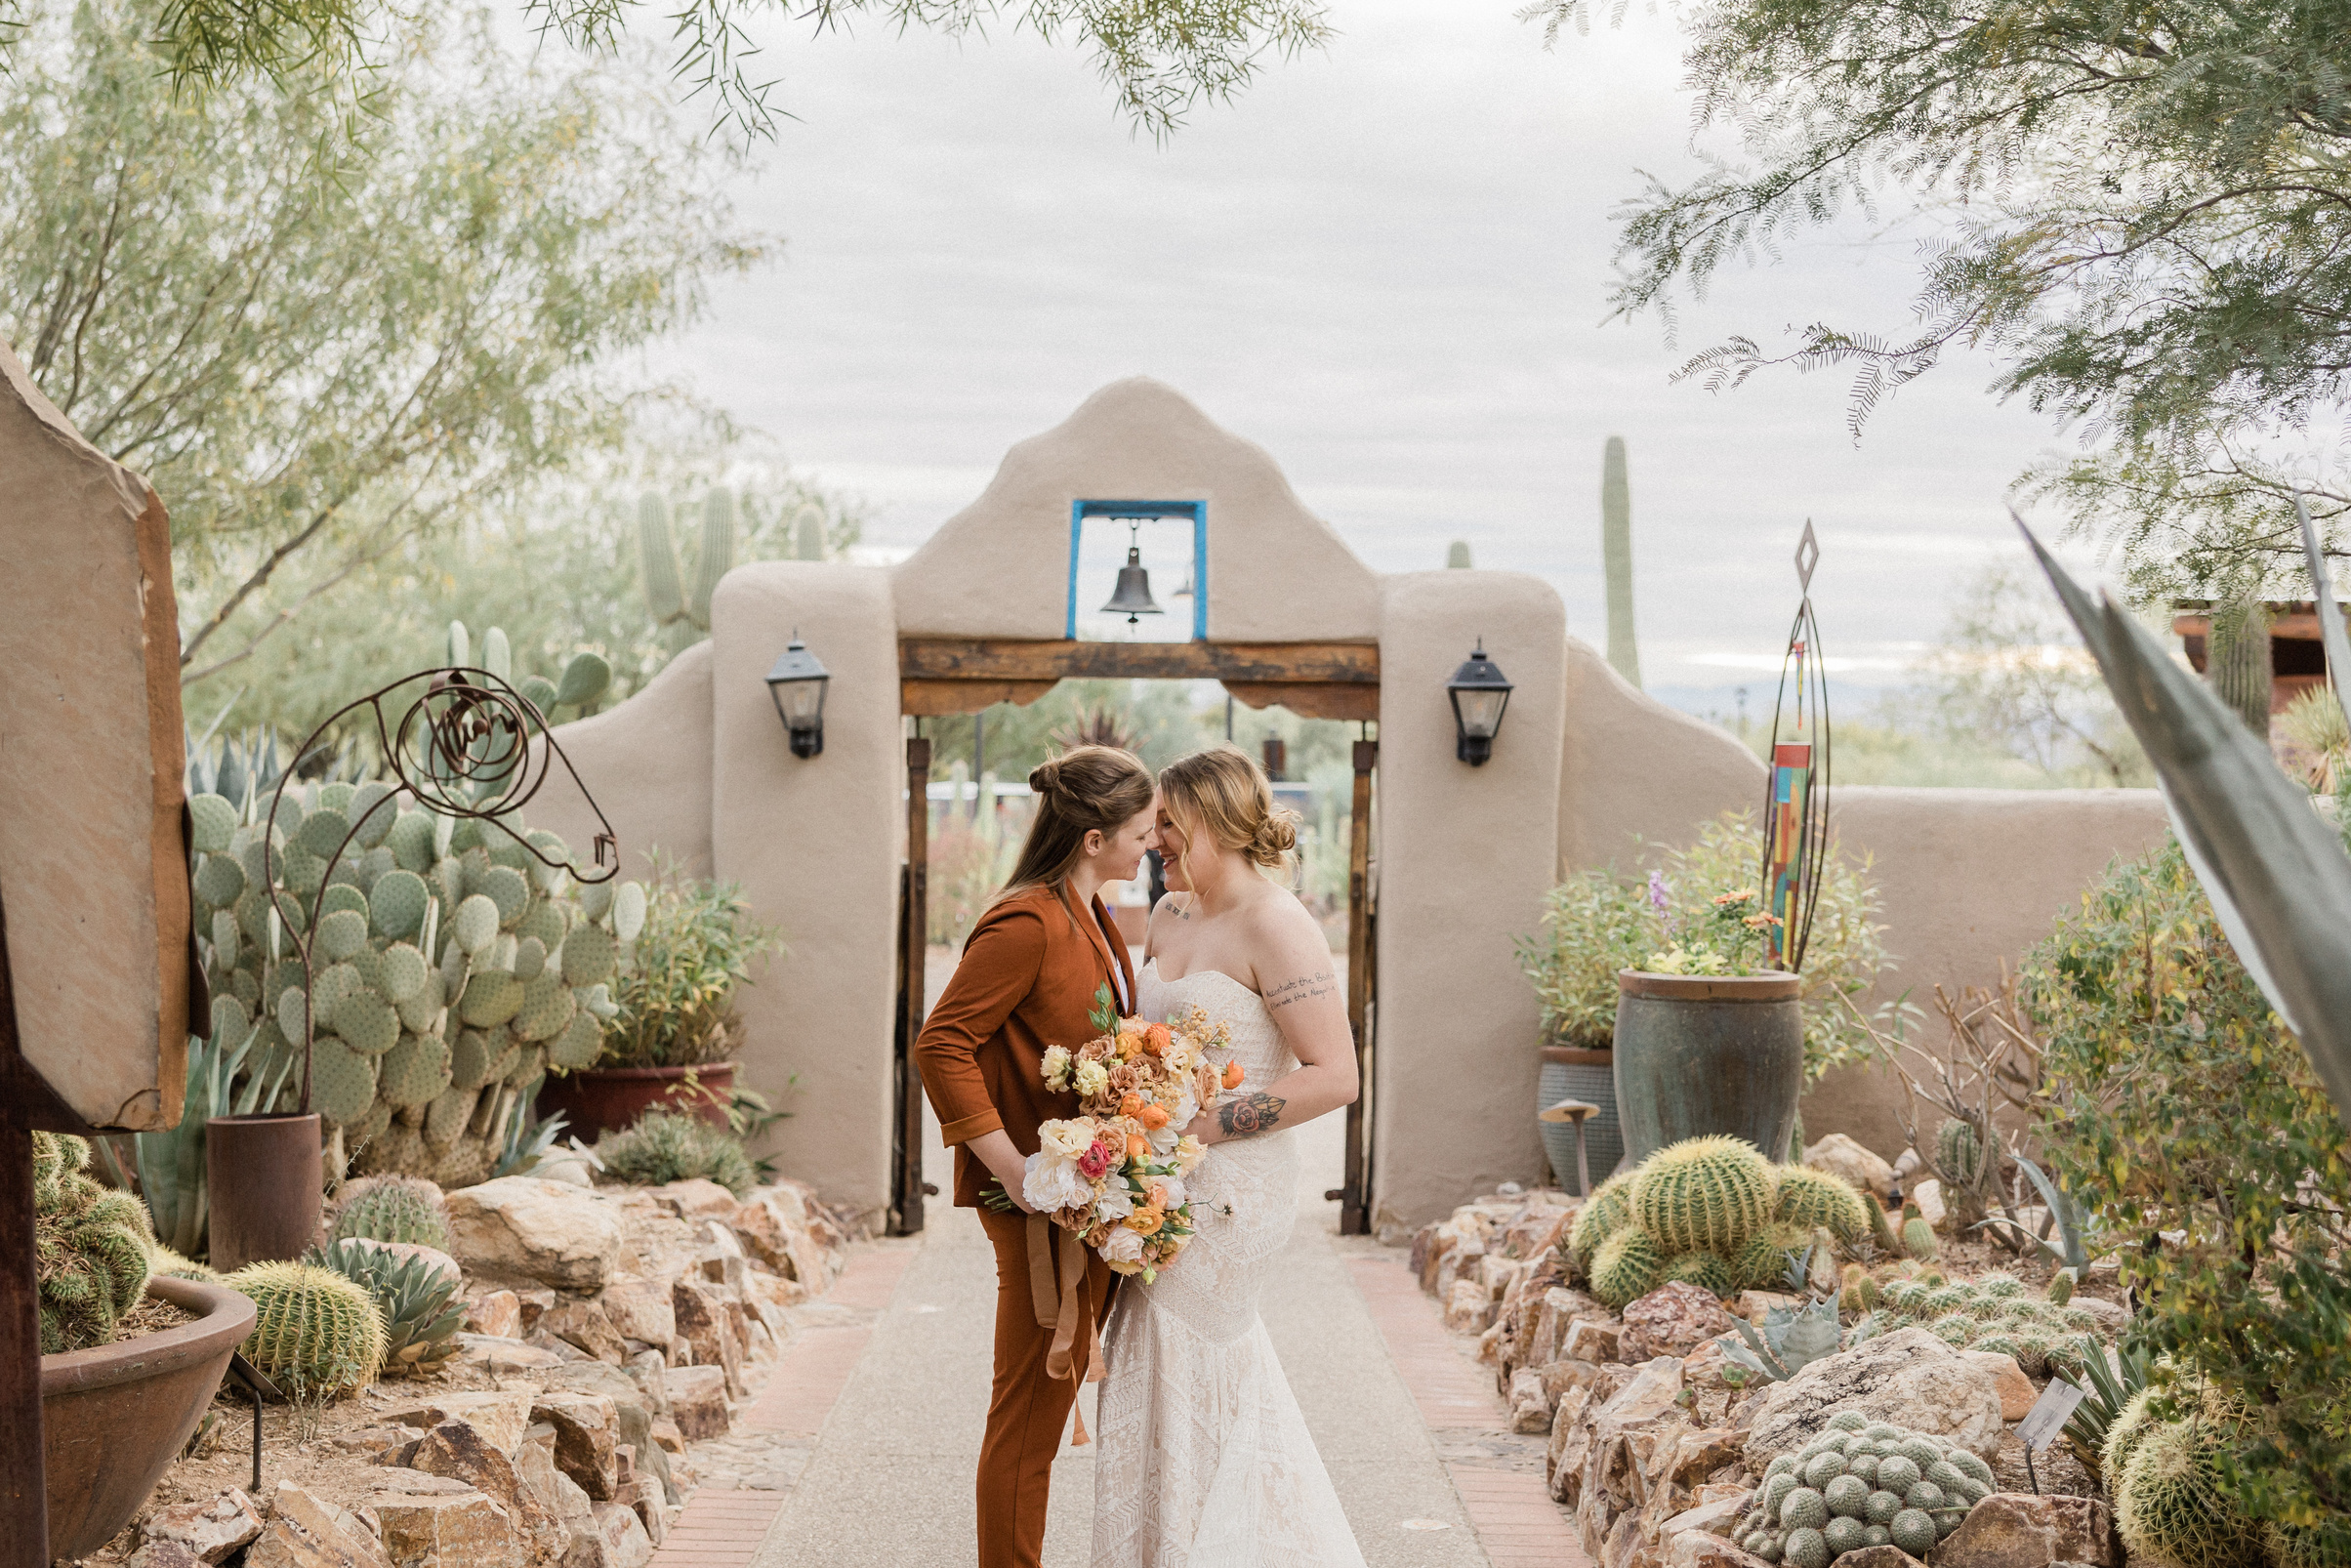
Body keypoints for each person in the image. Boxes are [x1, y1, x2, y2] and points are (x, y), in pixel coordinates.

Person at [1091, 743, 1367, 1567]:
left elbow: (1337, 1075)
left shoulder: (1277, 924)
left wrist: (1204, 1128)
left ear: (1212, 819)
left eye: (1169, 824)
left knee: (1187, 1361)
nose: (1156, 840)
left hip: (1227, 1194)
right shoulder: (1170, 914)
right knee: (1144, 1368)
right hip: (1157, 1179)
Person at [914, 744, 1159, 1568]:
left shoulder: (1088, 913)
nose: (1150, 843)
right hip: (1035, 1204)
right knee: (1026, 1419)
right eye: (1140, 830)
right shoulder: (1027, 920)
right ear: (1094, 837)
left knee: (1043, 1411)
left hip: (1082, 1197)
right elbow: (940, 1044)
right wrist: (1012, 1168)